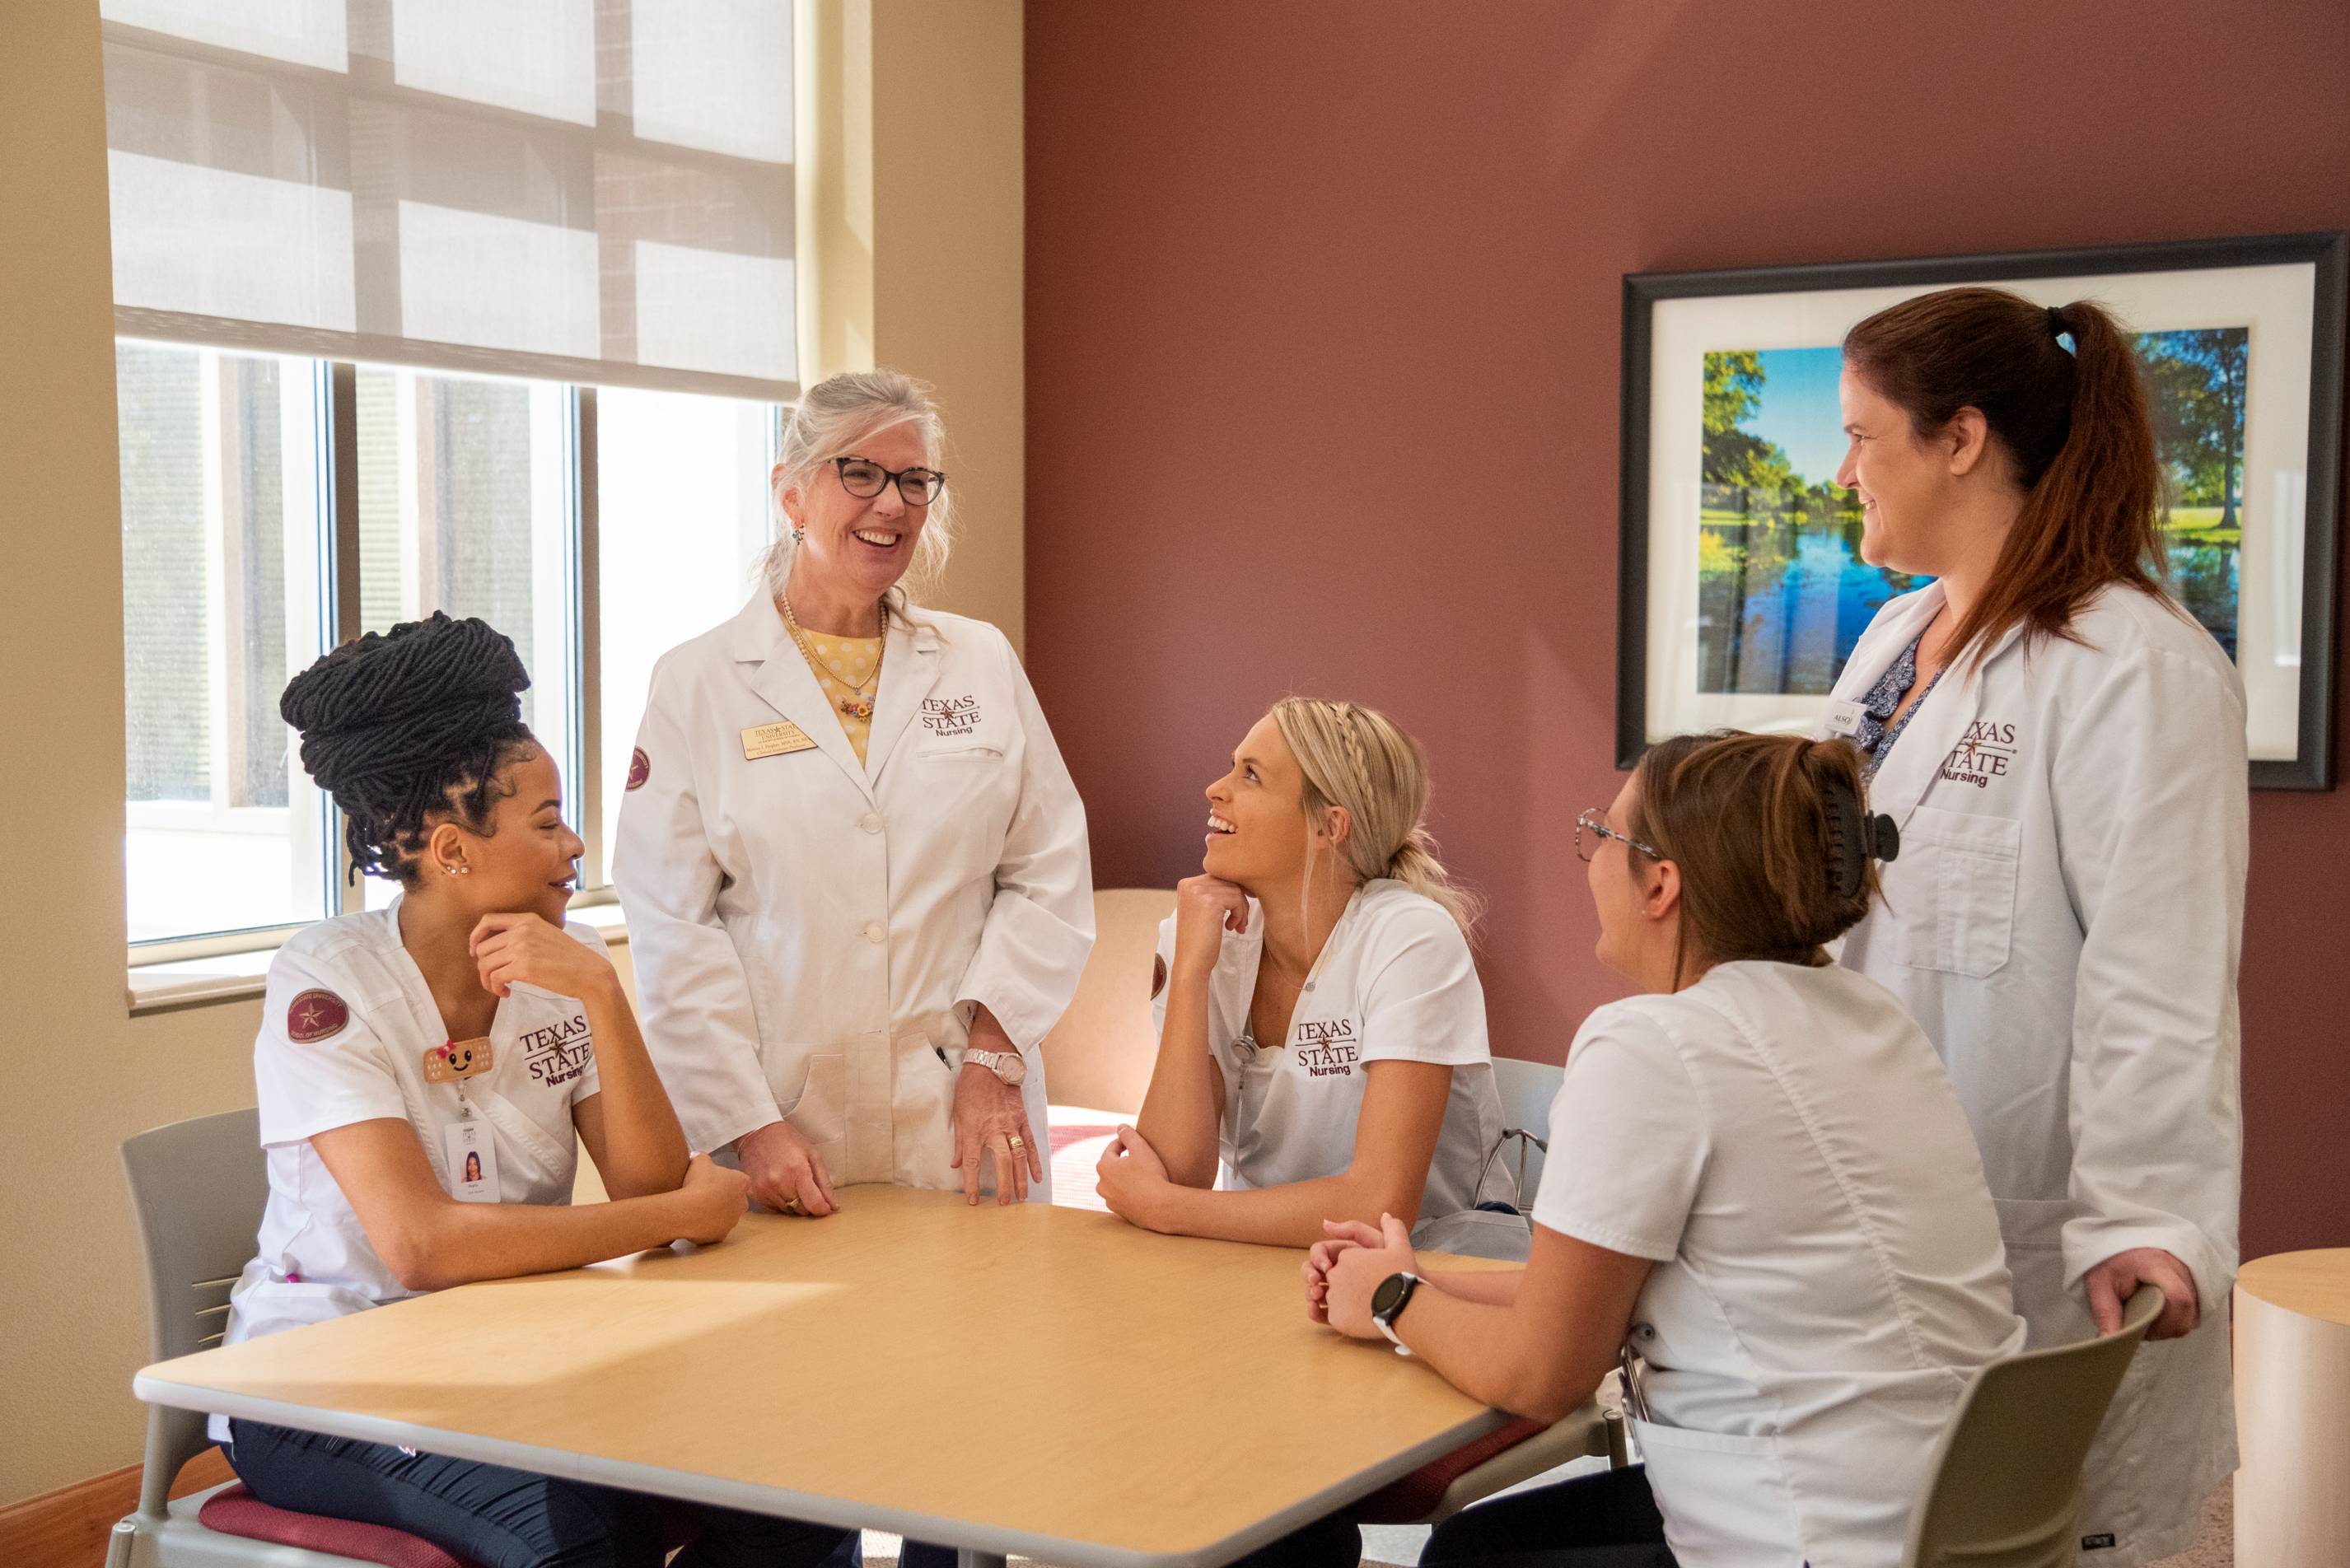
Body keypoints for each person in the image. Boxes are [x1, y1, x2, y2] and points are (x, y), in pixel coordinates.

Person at [1296, 733, 2024, 1567]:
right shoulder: (1869, 1015)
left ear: (1661, 883)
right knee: (1480, 1541)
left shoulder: (1652, 1046)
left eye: (1600, 835)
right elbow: (1578, 1297)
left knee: (1470, 1560)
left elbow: (1545, 1372)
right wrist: (1423, 1280)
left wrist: (1391, 1298)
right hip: (1943, 1506)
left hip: (1820, 1534)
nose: (1589, 858)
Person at [217, 613, 846, 1568]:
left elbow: (642, 1184)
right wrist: (679, 1209)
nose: (576, 842)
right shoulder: (327, 982)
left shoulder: (571, 962)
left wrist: (599, 991)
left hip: (512, 1355)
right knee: (584, 1540)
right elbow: (425, 1246)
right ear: (452, 849)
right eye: (548, 822)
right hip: (321, 1382)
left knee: (796, 1503)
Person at [1823, 287, 2245, 1564]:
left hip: (2042, 1227)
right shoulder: (1895, 639)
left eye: (1861, 436)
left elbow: (2158, 978)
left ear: (1959, 438)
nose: (1841, 470)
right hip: (1881, 1203)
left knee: (2040, 1528)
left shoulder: (2137, 666)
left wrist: (2148, 1215)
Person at [613, 369, 1094, 1220]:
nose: (892, 503)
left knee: (989, 1340)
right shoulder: (698, 683)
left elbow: (1048, 874)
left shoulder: (980, 661)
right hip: (785, 1124)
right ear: (790, 493)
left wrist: (993, 1056)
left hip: (964, 1110)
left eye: (914, 480)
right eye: (859, 472)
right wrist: (749, 1121)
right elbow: (670, 927)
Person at [1095, 698, 1523, 1256]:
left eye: (1250, 775)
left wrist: (1168, 1211)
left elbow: (1376, 1205)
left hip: (1428, 1274)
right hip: (1261, 1261)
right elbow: (1176, 1170)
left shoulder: (1410, 937)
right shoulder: (1200, 932)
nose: (1214, 789)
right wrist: (1190, 974)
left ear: (1328, 826)